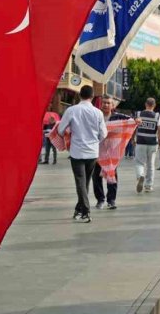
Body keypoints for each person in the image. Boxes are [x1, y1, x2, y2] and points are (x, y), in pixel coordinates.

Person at [57, 85, 107, 222]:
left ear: (80, 95)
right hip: (92, 152)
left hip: (77, 151)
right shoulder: (98, 113)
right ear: (92, 97)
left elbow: (61, 130)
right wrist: (94, 141)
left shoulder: (71, 110)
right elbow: (104, 134)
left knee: (80, 181)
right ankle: (78, 210)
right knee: (84, 183)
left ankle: (85, 211)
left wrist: (70, 134)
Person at [93, 96, 129, 210]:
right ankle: (100, 199)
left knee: (112, 174)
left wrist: (137, 121)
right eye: (104, 103)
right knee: (96, 176)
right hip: (97, 150)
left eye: (108, 103)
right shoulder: (95, 116)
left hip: (112, 152)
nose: (106, 105)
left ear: (112, 106)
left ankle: (111, 200)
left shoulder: (118, 117)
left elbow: (130, 121)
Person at [134, 98, 160, 193]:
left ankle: (140, 176)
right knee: (151, 165)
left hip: (140, 142)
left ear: (145, 104)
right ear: (154, 105)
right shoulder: (157, 116)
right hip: (152, 143)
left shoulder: (138, 114)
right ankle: (148, 186)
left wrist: (133, 139)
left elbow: (134, 127)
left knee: (139, 162)